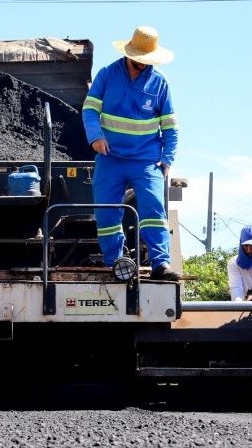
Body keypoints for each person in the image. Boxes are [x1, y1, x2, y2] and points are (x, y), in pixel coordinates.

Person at [82, 26, 180, 281]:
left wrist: (167, 158)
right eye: (139, 59)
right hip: (111, 158)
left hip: (146, 160)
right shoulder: (107, 75)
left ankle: (161, 263)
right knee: (106, 211)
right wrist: (96, 136)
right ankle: (114, 262)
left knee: (153, 208)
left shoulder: (160, 83)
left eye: (147, 60)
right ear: (128, 54)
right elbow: (89, 109)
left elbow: (170, 127)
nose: (142, 64)